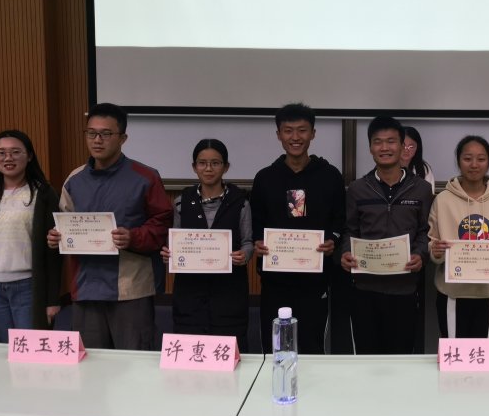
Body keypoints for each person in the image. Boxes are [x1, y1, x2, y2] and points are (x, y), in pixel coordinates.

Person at [47, 103, 172, 350]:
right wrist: (56, 237)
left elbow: (163, 224)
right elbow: (64, 222)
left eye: (106, 134)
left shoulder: (145, 177)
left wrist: (133, 237)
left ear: (123, 138)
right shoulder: (74, 180)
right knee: (91, 363)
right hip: (86, 285)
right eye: (91, 133)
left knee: (134, 361)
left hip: (130, 288)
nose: (97, 140)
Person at [250, 103, 345, 354]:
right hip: (275, 281)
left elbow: (340, 221)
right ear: (278, 134)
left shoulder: (330, 176)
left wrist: (333, 240)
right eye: (288, 130)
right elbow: (256, 222)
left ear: (313, 133)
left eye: (302, 130)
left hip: (315, 281)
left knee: (312, 347)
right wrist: (258, 241)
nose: (295, 137)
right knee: (275, 348)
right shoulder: (265, 178)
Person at [341, 116, 432, 353]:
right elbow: (349, 229)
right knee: (366, 356)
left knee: (400, 356)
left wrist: (420, 254)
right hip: (365, 289)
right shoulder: (357, 189)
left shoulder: (421, 189)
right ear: (370, 148)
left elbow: (425, 231)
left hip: (404, 288)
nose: (384, 147)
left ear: (402, 147)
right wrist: (345, 252)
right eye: (378, 142)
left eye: (391, 141)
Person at [0, 130, 61, 342]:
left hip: (28, 288)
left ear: (29, 156)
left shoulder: (43, 194)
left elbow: (54, 252)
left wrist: (52, 299)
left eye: (16, 152)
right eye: (1, 153)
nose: (8, 158)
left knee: (28, 350)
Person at [160, 139, 253, 351]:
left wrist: (244, 254)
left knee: (227, 354)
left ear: (226, 167)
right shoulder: (181, 202)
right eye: (202, 163)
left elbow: (248, 242)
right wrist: (168, 254)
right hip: (190, 294)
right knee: (191, 352)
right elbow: (174, 241)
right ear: (194, 167)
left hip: (229, 293)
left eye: (215, 163)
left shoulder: (241, 202)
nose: (208, 168)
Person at [428, 135, 489, 338]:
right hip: (452, 293)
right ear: (458, 161)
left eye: (481, 159)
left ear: (488, 162)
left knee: (484, 353)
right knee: (455, 353)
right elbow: (432, 242)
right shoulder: (443, 200)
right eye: (467, 158)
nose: (474, 165)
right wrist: (435, 251)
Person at [402, 126, 435, 190]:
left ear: (417, 148)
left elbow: (429, 192)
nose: (406, 150)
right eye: (403, 145)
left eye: (411, 146)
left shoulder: (424, 168)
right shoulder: (388, 166)